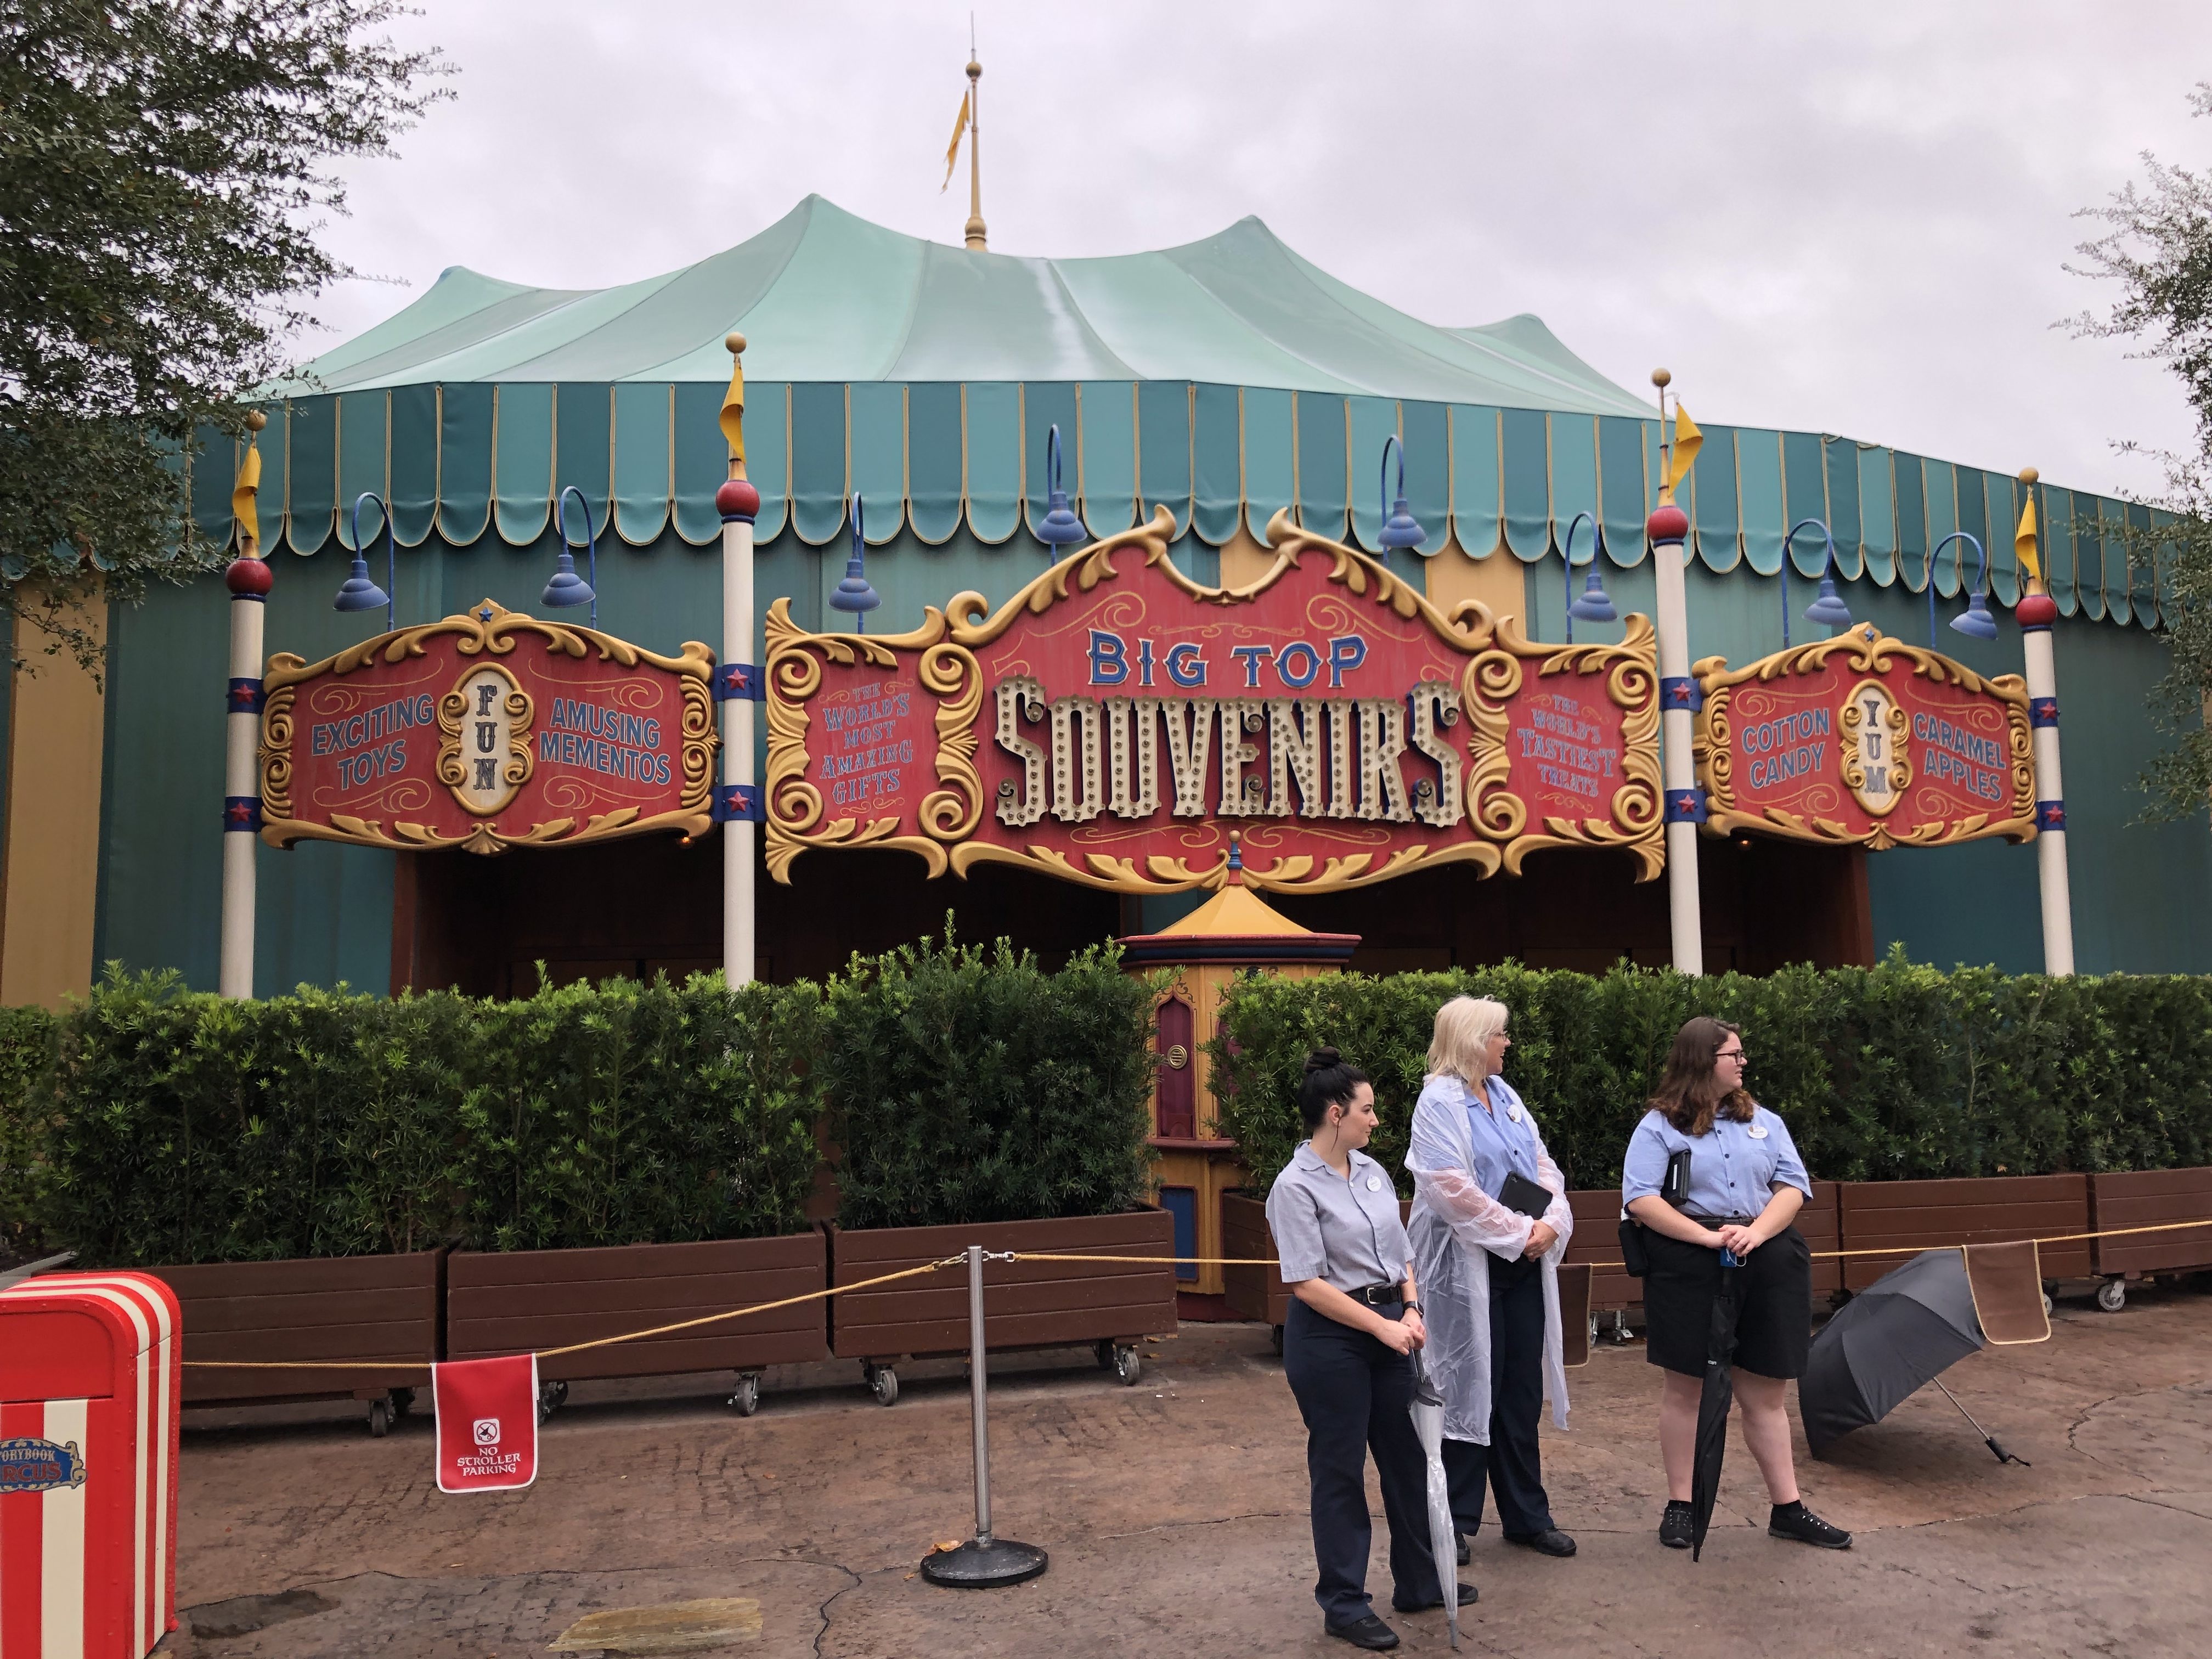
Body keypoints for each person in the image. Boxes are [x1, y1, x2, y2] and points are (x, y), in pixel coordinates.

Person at [1268, 1047, 1476, 1652]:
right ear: (1336, 1114)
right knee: (1339, 1470)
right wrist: (1380, 1327)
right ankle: (1344, 1602)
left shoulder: (1373, 1171)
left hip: (1391, 1322)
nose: (1375, 1120)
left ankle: (1419, 1580)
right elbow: (1305, 1282)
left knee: (1408, 1457)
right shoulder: (1293, 1186)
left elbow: (1402, 1249)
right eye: (1367, 1110)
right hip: (1331, 1337)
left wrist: (1411, 1307)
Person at [1622, 1015, 1852, 1551]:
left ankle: (1788, 1509)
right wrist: (1706, 1240)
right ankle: (1682, 1505)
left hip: (1766, 1258)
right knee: (1687, 1388)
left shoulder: (1765, 1121)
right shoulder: (1658, 1126)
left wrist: (1757, 1233)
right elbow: (1641, 1199)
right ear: (1704, 1061)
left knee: (1765, 1392)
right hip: (1689, 1263)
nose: (1743, 1063)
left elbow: (1793, 1187)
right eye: (1734, 1055)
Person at [1404, 995, 1579, 1565]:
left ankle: (1528, 1517)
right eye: (1500, 1035)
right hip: (1469, 1268)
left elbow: (1543, 1165)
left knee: (1519, 1391)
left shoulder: (1505, 1096)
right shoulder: (1437, 1103)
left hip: (1520, 1264)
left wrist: (1550, 1223)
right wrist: (1520, 1232)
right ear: (1475, 1041)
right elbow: (1449, 1189)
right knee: (1464, 1388)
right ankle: (1451, 1520)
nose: (1508, 1044)